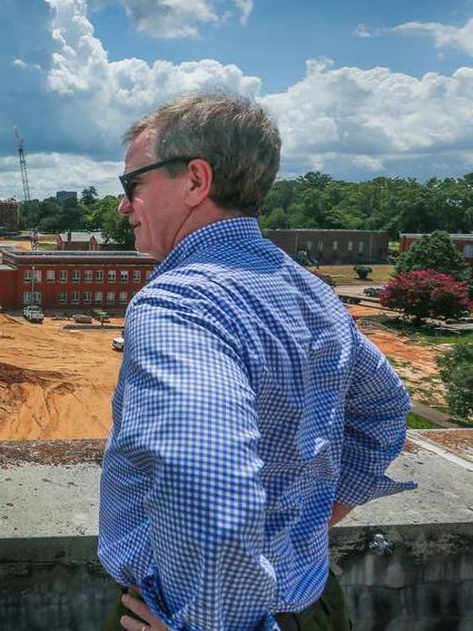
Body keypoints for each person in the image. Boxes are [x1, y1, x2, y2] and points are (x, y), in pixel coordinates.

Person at [98, 92, 412, 631]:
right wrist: (312, 520)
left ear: (196, 181)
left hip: (190, 616)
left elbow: (207, 477)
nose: (124, 205)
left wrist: (209, 624)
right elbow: (385, 410)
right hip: (314, 604)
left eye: (133, 185)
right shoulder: (312, 293)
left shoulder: (178, 304)